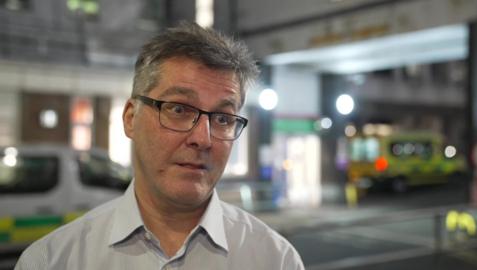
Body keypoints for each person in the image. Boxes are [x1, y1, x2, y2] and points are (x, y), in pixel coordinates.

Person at [15, 21, 305, 270]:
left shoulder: (275, 259)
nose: (202, 139)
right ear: (131, 118)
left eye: (222, 118)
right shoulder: (53, 260)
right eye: (179, 110)